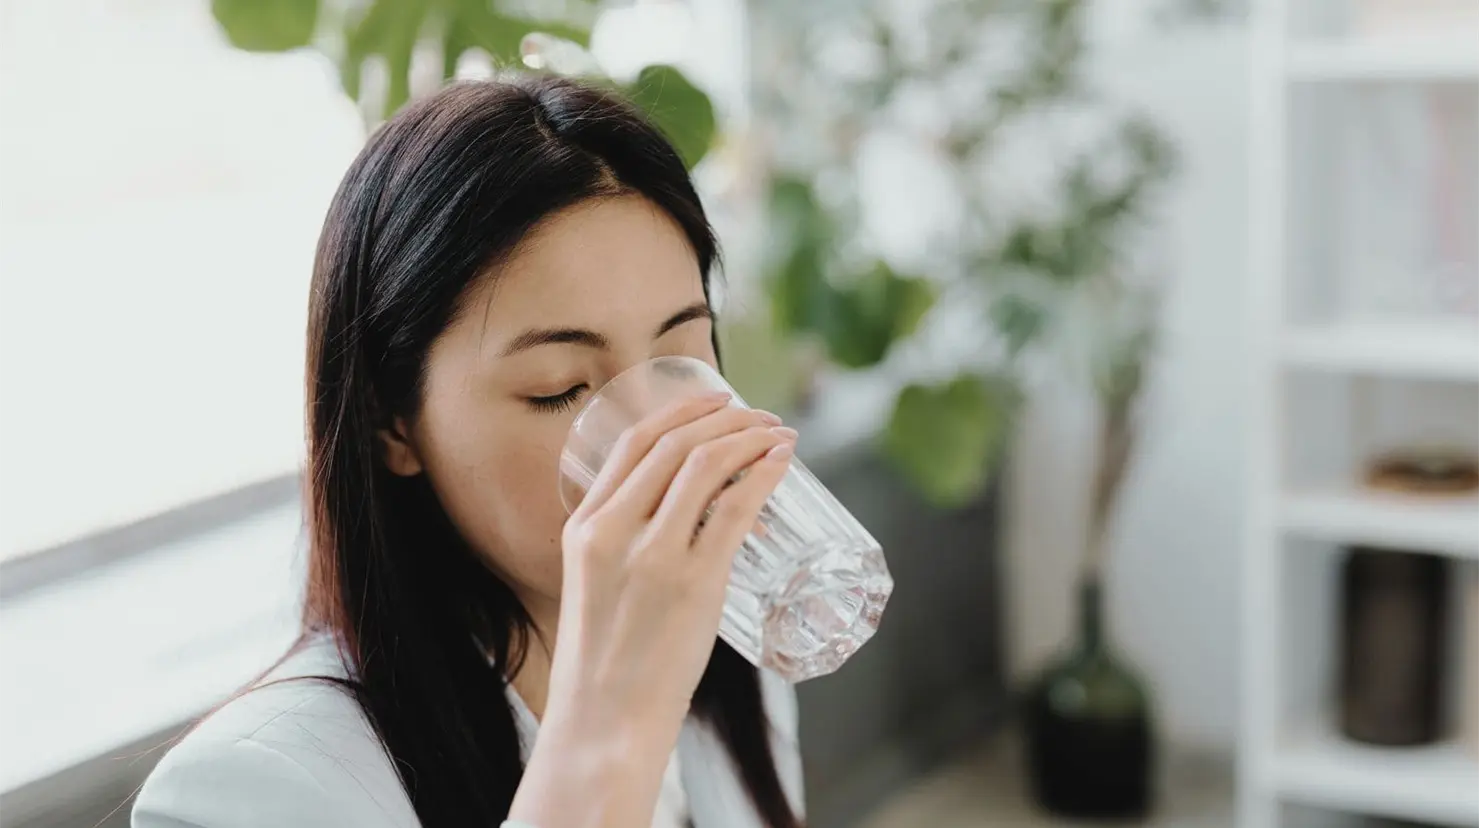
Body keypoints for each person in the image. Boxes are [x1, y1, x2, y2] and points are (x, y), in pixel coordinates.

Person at [132, 75, 805, 828]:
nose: (653, 439)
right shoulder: (256, 789)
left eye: (682, 356)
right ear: (393, 426)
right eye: (560, 389)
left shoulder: (729, 658)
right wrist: (613, 725)